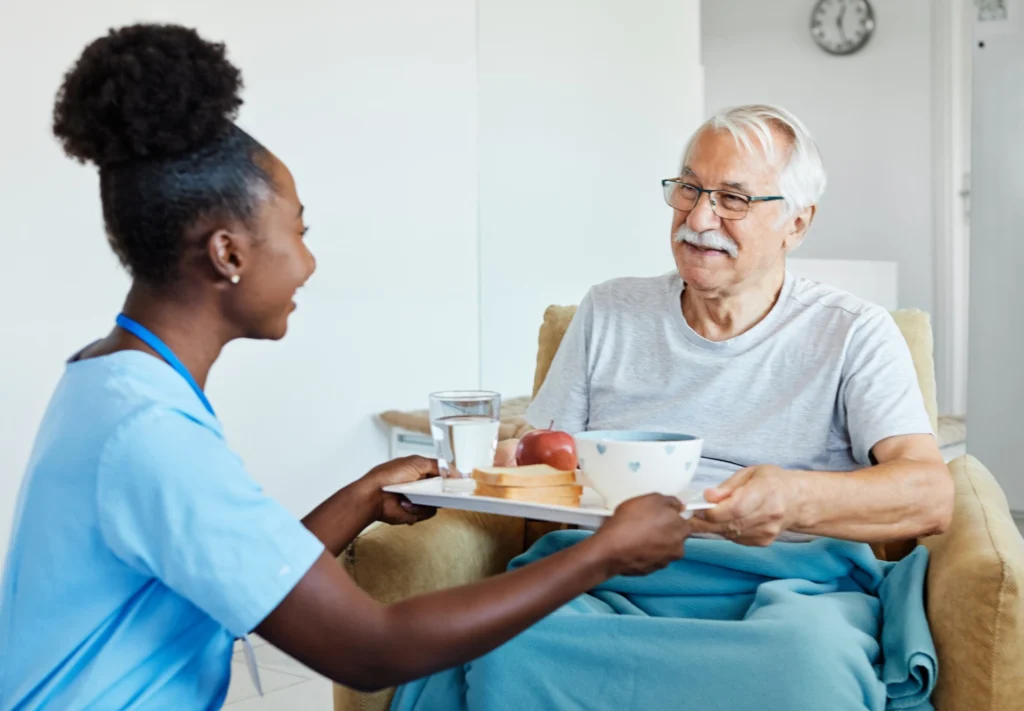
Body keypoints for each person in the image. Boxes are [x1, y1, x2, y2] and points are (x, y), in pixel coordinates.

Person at [0, 24, 691, 710]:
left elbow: (252, 571)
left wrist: (361, 498)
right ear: (228, 253)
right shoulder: (152, 432)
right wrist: (603, 552)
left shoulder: (109, 380)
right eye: (299, 230)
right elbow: (370, 649)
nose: (308, 261)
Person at [499, 103, 953, 547]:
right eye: (688, 189)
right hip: (606, 574)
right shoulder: (609, 310)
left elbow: (931, 497)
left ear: (796, 224)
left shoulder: (854, 333)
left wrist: (795, 499)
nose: (697, 218)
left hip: (781, 586)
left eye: (733, 200)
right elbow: (542, 461)